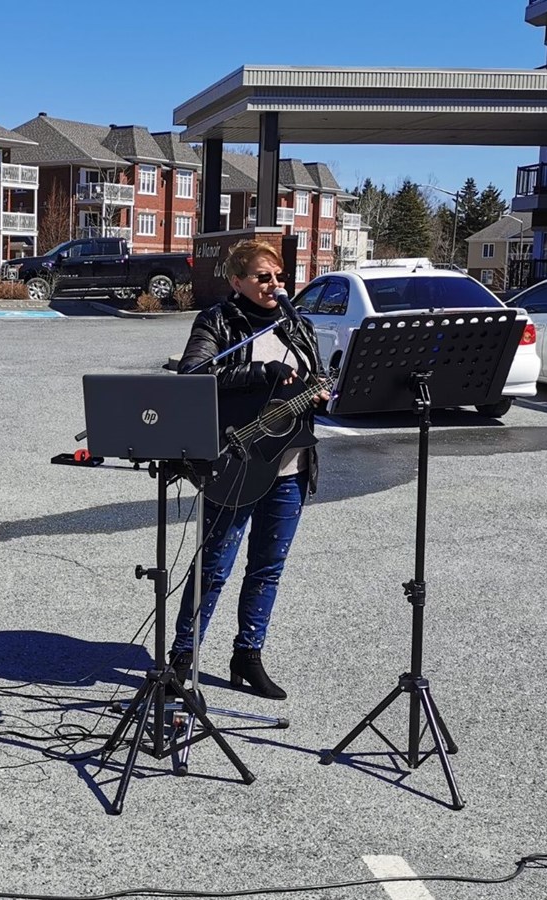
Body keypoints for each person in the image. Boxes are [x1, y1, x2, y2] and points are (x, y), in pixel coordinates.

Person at [169, 238, 324, 699]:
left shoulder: (297, 325)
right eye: (262, 277)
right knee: (214, 567)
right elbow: (194, 375)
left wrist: (319, 392)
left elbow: (313, 382)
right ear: (236, 281)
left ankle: (247, 655)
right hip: (234, 461)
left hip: (290, 464)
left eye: (279, 277)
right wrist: (261, 374)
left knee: (267, 568)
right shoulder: (217, 321)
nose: (274, 285)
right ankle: (181, 658)